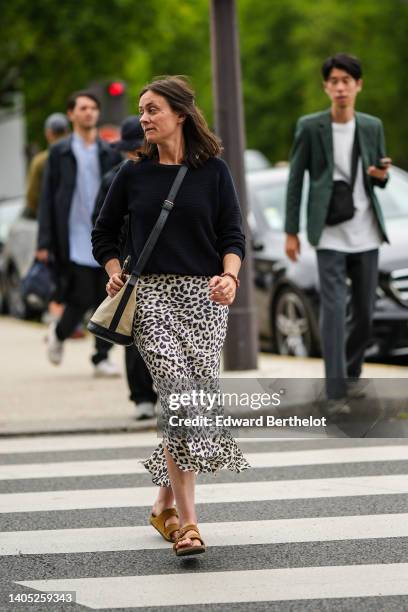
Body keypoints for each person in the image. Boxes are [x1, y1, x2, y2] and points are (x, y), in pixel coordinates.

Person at [92, 76, 251, 556]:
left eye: (153, 108)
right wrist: (115, 271)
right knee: (179, 397)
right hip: (153, 297)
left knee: (192, 403)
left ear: (180, 114)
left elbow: (232, 234)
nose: (144, 118)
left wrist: (230, 277)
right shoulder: (132, 173)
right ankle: (188, 523)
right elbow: (103, 234)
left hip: (205, 299)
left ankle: (163, 502)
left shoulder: (214, 172)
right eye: (141, 109)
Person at [284, 53, 391, 415]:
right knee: (332, 311)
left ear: (358, 85)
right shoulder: (311, 127)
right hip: (328, 233)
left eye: (347, 80)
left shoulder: (372, 125)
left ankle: (351, 373)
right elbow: (296, 178)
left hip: (367, 231)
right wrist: (291, 231)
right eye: (335, 81)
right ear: (326, 87)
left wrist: (381, 176)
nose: (341, 87)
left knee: (364, 312)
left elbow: (381, 174)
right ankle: (335, 392)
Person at [36, 90, 122, 376]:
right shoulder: (59, 154)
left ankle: (101, 356)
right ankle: (59, 334)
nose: (90, 113)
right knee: (81, 296)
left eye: (94, 108)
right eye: (83, 108)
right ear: (71, 114)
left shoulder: (108, 152)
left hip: (103, 234)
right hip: (71, 235)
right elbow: (48, 199)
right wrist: (44, 241)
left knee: (109, 298)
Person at [93, 116, 157, 420]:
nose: (133, 155)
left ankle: (160, 396)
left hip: (157, 265)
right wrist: (114, 267)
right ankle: (143, 396)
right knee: (134, 335)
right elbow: (101, 225)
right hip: (128, 266)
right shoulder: (115, 178)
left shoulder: (166, 173)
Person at [25, 113, 70, 219]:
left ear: (48, 133)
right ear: (68, 132)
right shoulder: (77, 156)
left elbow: (32, 196)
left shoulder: (40, 161)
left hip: (49, 218)